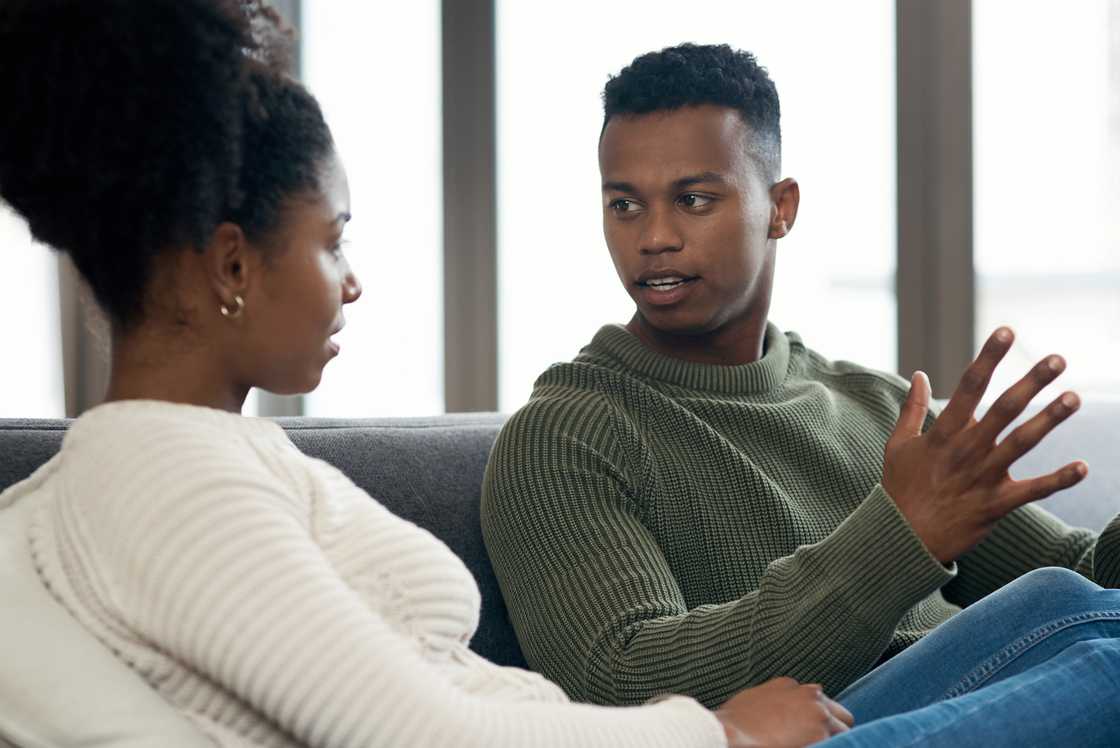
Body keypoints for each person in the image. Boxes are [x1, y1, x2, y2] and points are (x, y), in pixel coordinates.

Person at [0, 2, 856, 746]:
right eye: (332, 239)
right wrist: (719, 732)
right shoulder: (173, 480)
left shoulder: (196, 465)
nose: (351, 280)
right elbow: (421, 733)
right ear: (233, 267)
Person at [480, 42, 1120, 741]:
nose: (654, 237)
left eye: (693, 200)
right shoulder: (567, 432)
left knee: (1070, 605)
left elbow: (1090, 580)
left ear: (779, 208)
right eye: (624, 204)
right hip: (819, 734)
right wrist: (900, 538)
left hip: (1003, 705)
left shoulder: (876, 406)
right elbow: (619, 680)